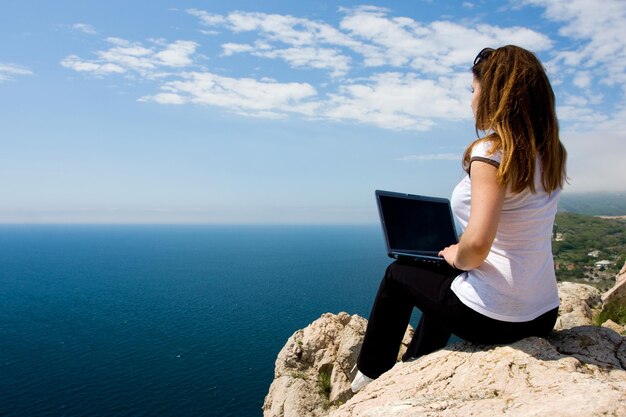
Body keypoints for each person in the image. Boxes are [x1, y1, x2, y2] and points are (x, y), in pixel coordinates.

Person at [351, 45, 568, 393]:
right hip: (542, 313)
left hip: (498, 318)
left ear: (494, 95)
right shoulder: (550, 155)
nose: (471, 100)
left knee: (397, 275)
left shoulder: (491, 153)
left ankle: (370, 376)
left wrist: (457, 254)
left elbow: (478, 245)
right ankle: (418, 362)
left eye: (473, 90)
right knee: (446, 279)